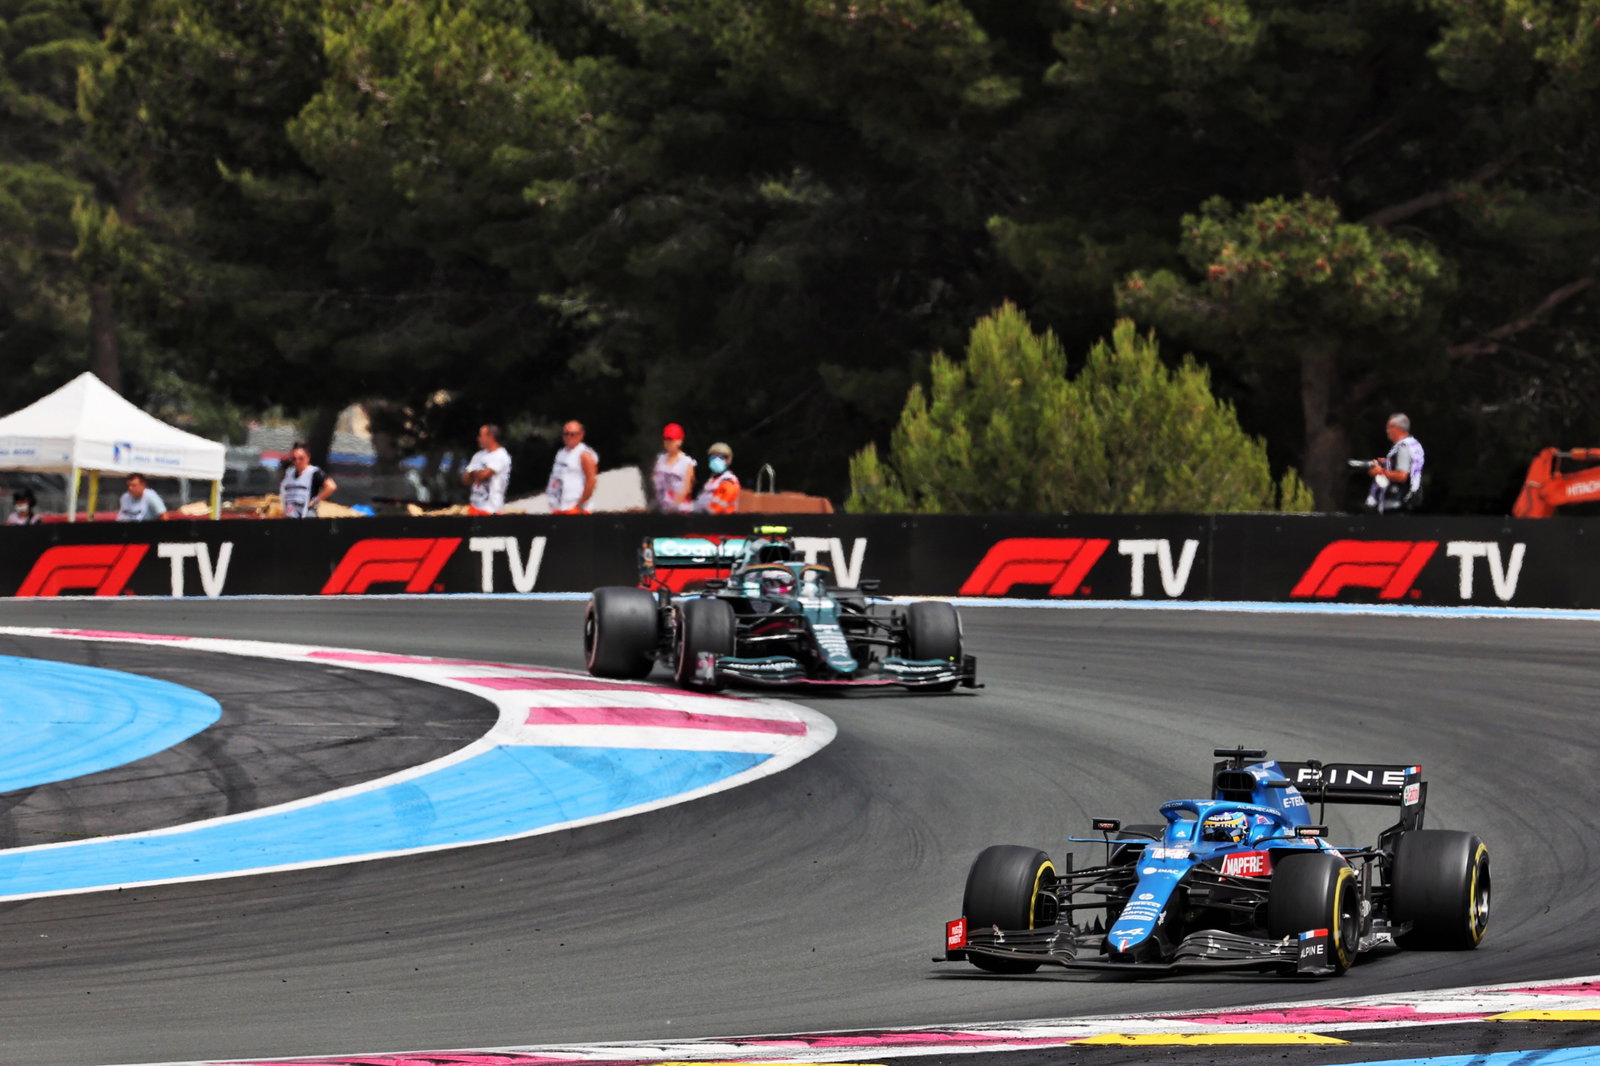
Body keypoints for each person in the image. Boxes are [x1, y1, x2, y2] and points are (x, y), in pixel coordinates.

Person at [1366, 412, 1425, 513]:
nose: (1387, 431)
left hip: (1398, 505)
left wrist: (1380, 471)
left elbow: (1402, 476)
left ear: (1397, 428)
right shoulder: (1411, 444)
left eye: (1389, 427)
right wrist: (1389, 463)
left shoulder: (1403, 447)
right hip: (1405, 503)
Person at [547, 420, 599, 514]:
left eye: (572, 434)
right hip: (559, 507)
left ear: (581, 435)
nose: (568, 437)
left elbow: (591, 480)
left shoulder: (584, 454)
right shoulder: (561, 453)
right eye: (566, 434)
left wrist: (580, 505)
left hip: (576, 509)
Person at [463, 423, 512, 515]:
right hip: (474, 508)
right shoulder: (478, 456)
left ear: (491, 437)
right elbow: (466, 479)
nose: (478, 439)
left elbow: (484, 475)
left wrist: (474, 473)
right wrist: (477, 474)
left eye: (481, 436)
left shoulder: (501, 455)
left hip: (492, 509)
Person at [280, 443, 337, 518]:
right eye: (294, 459)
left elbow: (331, 486)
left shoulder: (314, 472)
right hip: (291, 514)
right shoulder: (289, 473)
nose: (297, 461)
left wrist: (315, 501)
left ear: (308, 458)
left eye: (301, 458)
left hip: (307, 514)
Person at [651, 422, 696, 514]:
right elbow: (655, 481)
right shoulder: (660, 460)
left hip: (682, 510)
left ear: (679, 441)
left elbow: (687, 488)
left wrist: (674, 507)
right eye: (666, 439)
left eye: (671, 439)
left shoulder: (687, 462)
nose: (668, 442)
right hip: (662, 508)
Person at [692, 441, 740, 514]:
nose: (716, 460)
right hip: (706, 519)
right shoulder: (712, 480)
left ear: (729, 460)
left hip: (722, 521)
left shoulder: (729, 481)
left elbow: (716, 508)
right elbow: (701, 502)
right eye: (713, 457)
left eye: (721, 457)